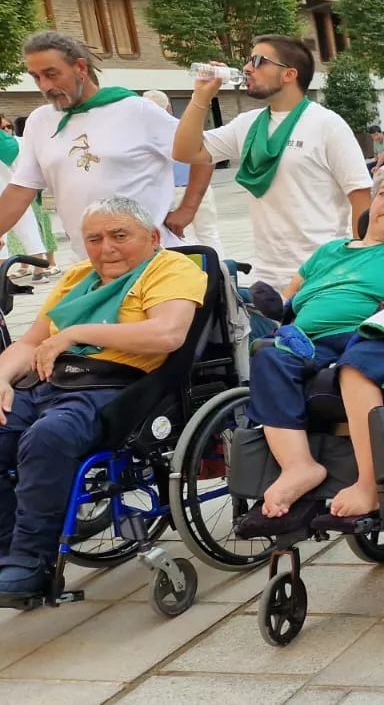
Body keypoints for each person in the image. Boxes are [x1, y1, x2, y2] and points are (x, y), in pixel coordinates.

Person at [0, 196, 206, 600]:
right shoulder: (79, 276)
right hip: (50, 379)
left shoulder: (171, 269)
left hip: (115, 385)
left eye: (119, 235)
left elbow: (167, 334)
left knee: (48, 438)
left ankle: (31, 561)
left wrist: (77, 333)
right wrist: (2, 377)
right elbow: (29, 343)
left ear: (152, 237)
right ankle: (7, 553)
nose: (106, 248)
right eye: (94, 239)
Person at [245, 166, 384, 520]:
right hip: (308, 341)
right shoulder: (329, 251)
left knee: (355, 366)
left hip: (376, 330)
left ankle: (369, 485)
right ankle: (299, 467)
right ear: (371, 206)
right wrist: (279, 308)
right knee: (268, 357)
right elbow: (291, 297)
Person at [174, 34, 374, 293]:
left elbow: (360, 196)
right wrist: (200, 97)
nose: (247, 68)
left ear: (289, 74)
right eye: (249, 60)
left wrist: (356, 262)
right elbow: (185, 151)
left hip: (322, 272)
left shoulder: (327, 124)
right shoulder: (247, 124)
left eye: (258, 61)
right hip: (268, 275)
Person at [0, 31, 195, 256]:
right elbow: (21, 189)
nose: (44, 86)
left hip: (152, 256)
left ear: (80, 68)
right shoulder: (40, 121)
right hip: (90, 259)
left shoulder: (135, 110)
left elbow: (202, 150)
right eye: (36, 77)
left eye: (51, 74)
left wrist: (188, 208)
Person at [141, 90, 227, 261]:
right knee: (209, 234)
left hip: (171, 192)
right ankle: (221, 269)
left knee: (182, 238)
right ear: (168, 107)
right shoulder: (186, 128)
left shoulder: (145, 135)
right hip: (200, 189)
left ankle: (195, 271)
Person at [0, 119, 58, 281]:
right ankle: (39, 270)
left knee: (5, 235)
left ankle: (2, 276)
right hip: (18, 192)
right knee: (29, 229)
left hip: (11, 192)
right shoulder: (19, 143)